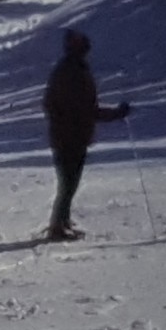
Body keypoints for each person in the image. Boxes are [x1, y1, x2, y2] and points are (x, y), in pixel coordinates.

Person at [42, 29, 130, 240]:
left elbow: (54, 103)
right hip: (70, 137)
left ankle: (62, 221)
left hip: (70, 135)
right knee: (69, 183)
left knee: (69, 182)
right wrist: (116, 114)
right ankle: (57, 227)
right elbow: (86, 109)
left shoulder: (68, 69)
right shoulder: (73, 72)